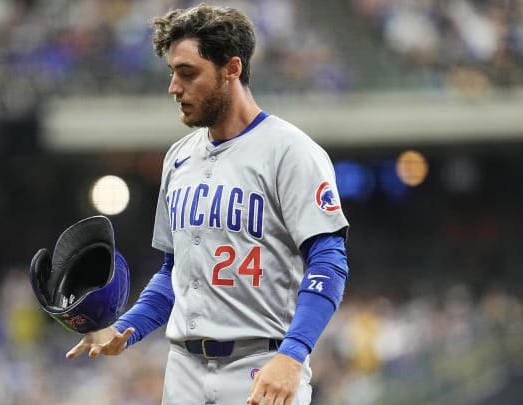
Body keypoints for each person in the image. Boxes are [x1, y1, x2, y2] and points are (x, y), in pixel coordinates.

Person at [65, 4, 350, 404]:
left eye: (188, 73)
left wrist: (293, 354)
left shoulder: (291, 151)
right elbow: (174, 274)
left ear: (231, 69)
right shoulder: (177, 158)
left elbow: (329, 262)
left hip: (262, 364)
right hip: (183, 369)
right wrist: (126, 329)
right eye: (172, 73)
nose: (174, 87)